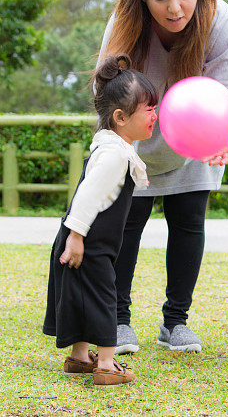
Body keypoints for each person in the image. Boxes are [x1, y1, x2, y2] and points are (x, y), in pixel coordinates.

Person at [97, 0, 228, 354]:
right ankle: (118, 319)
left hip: (194, 135)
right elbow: (106, 92)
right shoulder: (125, 22)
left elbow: (226, 93)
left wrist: (223, 135)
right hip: (136, 135)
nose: (174, 7)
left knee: (188, 223)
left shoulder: (219, 21)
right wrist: (117, 146)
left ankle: (175, 322)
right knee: (125, 227)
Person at [42, 54, 159, 387]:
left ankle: (80, 357)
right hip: (86, 242)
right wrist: (76, 237)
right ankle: (106, 365)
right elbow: (88, 196)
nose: (154, 115)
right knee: (104, 297)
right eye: (147, 109)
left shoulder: (114, 147)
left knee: (82, 296)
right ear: (120, 117)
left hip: (83, 241)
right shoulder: (113, 155)